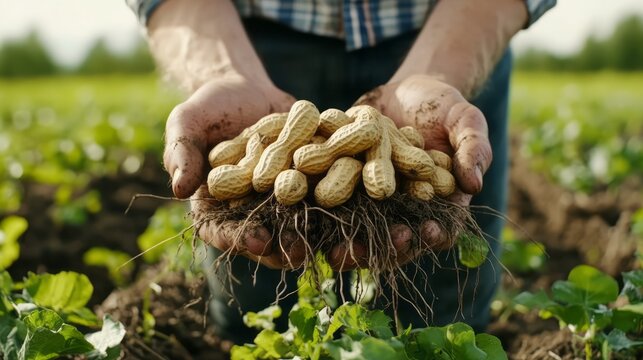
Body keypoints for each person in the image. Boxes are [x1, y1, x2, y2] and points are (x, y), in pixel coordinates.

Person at [128, 0, 555, 344]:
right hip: (243, 43)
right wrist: (223, 72)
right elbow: (266, 177)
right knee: (257, 321)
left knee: (440, 323)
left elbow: (419, 172)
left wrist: (437, 72)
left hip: (456, 36)